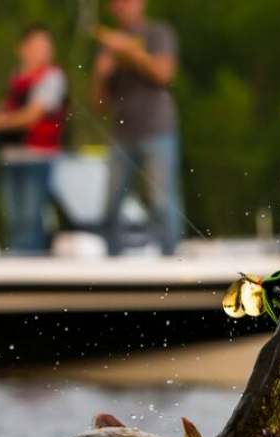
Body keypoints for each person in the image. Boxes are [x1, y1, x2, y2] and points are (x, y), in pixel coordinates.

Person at [0, 24, 68, 254]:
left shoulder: (52, 77)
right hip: (11, 158)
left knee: (29, 220)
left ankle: (31, 275)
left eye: (46, 47)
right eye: (37, 47)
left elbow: (31, 116)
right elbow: (9, 109)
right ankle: (16, 269)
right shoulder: (18, 77)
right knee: (13, 220)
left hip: (37, 158)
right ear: (21, 49)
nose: (42, 52)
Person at [92, 0, 182, 256]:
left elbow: (164, 75)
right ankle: (112, 265)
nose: (124, 6)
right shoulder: (108, 47)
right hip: (121, 134)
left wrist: (129, 51)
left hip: (157, 130)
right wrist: (101, 73)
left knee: (161, 201)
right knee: (110, 204)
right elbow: (99, 104)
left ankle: (171, 261)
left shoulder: (158, 32)